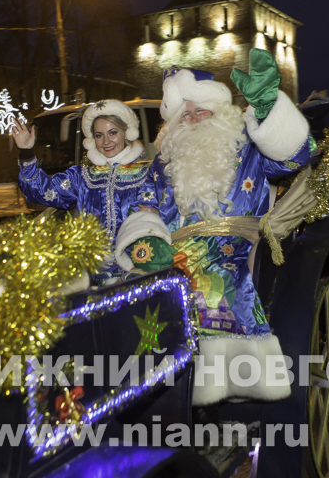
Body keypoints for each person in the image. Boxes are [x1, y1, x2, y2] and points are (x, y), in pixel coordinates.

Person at [114, 48, 314, 406]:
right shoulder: (163, 162)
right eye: (183, 113)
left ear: (219, 111)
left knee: (209, 289)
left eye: (199, 110)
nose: (191, 119)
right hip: (172, 249)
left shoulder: (250, 148)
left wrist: (269, 109)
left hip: (232, 248)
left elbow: (295, 156)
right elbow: (142, 203)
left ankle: (224, 392)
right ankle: (148, 392)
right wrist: (145, 238)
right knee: (122, 287)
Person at [11, 99, 152, 286]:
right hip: (89, 277)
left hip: (136, 275)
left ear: (127, 133)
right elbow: (43, 192)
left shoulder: (147, 174)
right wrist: (26, 152)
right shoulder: (82, 177)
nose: (106, 141)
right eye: (99, 135)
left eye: (113, 133)